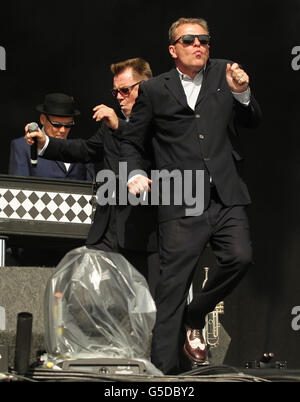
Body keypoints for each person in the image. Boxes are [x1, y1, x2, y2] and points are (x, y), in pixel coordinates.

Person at [120, 17, 262, 374]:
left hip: (225, 194)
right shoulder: (154, 89)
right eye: (189, 40)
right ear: (173, 49)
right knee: (172, 287)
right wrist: (134, 173)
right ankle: (163, 374)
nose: (199, 45)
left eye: (204, 39)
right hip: (181, 197)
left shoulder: (224, 73)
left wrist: (243, 92)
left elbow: (252, 120)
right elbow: (132, 141)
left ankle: (194, 315)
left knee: (240, 258)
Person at [25, 58, 159, 298]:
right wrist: (46, 143)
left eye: (125, 90)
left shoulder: (163, 121)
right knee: (90, 299)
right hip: (105, 232)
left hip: (140, 234)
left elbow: (154, 154)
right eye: (115, 91)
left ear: (146, 87)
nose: (118, 97)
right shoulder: (110, 126)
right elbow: (86, 150)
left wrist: (120, 127)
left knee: (138, 306)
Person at [9, 93, 93, 181]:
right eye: (57, 125)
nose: (62, 130)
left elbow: (91, 187)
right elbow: (19, 188)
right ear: (42, 119)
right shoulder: (23, 147)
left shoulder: (80, 147)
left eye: (68, 125)